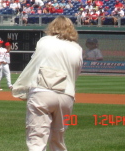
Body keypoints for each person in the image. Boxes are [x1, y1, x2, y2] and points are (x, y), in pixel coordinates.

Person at [12, 16, 82, 151]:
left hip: (42, 92)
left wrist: (23, 87)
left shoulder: (44, 41)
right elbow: (76, 73)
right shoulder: (77, 48)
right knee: (58, 139)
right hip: (67, 95)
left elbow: (35, 63)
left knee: (37, 138)